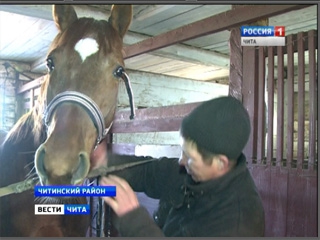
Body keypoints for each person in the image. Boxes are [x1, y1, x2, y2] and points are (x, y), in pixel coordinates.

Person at [100, 96, 265, 237]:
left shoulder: (239, 225)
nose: (181, 161)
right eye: (182, 152)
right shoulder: (190, 172)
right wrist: (103, 162)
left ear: (220, 163)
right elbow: (148, 172)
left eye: (190, 157)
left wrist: (134, 220)